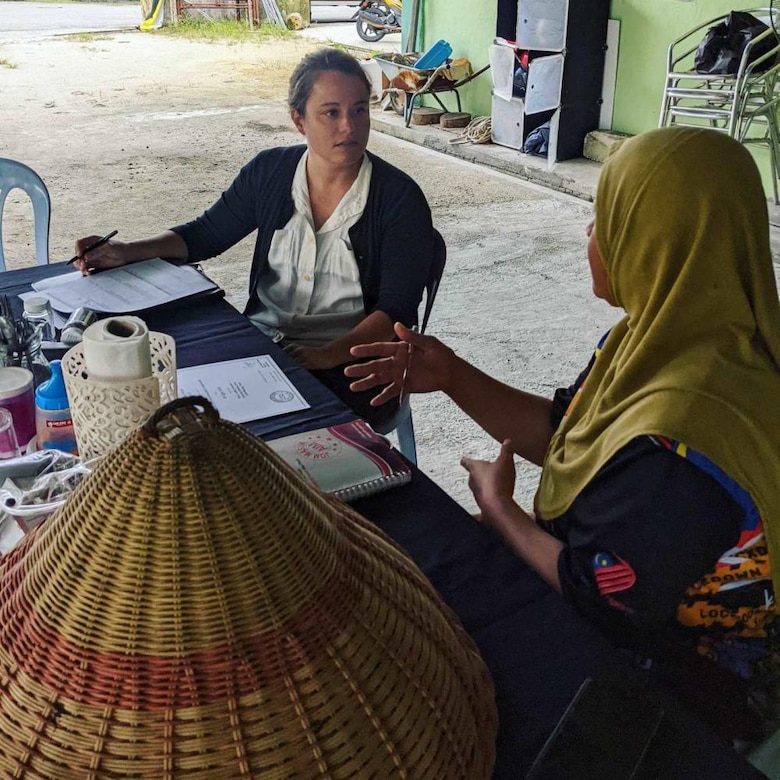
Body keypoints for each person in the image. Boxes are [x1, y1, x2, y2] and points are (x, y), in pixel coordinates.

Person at [345, 127, 780, 741]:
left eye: (605, 220)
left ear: (655, 242)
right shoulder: (664, 339)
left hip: (680, 697)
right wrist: (449, 375)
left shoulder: (687, 425)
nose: (589, 236)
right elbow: (565, 435)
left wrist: (501, 511)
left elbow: (609, 600)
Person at [73, 48, 435, 428]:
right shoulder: (270, 173)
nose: (349, 126)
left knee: (259, 442)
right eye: (331, 113)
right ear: (299, 120)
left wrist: (329, 354)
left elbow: (396, 310)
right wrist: (124, 251)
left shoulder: (398, 199)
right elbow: (205, 235)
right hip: (264, 343)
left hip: (354, 364)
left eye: (360, 110)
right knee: (165, 398)